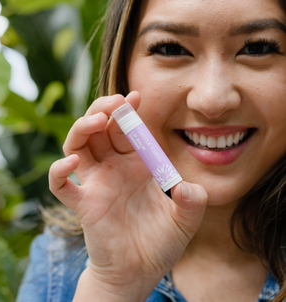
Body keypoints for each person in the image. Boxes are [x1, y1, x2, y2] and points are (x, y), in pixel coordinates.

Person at [16, 0, 286, 301]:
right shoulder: (60, 264)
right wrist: (112, 288)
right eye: (171, 49)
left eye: (258, 48)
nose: (212, 100)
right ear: (123, 70)